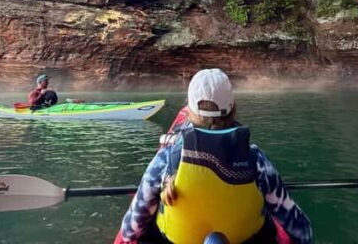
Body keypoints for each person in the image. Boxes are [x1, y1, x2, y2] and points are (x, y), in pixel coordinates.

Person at [119, 68, 313, 244]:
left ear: (189, 112)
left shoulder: (165, 161)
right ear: (233, 108)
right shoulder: (257, 161)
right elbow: (303, 233)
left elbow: (129, 231)